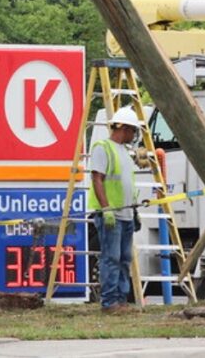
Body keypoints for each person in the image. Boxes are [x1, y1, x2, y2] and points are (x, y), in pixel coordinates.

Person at [88, 106, 139, 313]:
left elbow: (128, 184)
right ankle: (109, 302)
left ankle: (120, 300)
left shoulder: (125, 153)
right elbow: (97, 178)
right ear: (124, 128)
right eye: (133, 130)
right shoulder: (103, 147)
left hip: (126, 215)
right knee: (111, 258)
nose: (134, 135)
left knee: (125, 259)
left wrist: (134, 212)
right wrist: (106, 208)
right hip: (111, 216)